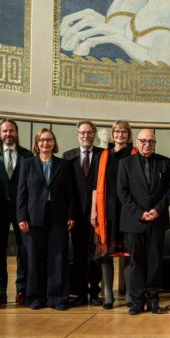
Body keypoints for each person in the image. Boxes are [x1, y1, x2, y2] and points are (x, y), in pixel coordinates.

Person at [17, 128, 77, 310]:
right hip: (34, 217)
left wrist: (71, 215)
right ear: (37, 143)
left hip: (58, 216)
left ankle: (57, 297)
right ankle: (35, 297)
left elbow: (71, 193)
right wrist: (21, 217)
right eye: (42, 140)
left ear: (54, 143)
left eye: (49, 140)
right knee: (35, 259)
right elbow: (22, 193)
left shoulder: (64, 165)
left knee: (58, 259)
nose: (45, 143)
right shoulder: (27, 164)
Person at [117, 129, 170, 315]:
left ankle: (153, 300)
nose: (147, 144)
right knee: (136, 262)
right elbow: (122, 193)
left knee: (155, 262)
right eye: (143, 141)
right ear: (137, 143)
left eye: (151, 141)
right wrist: (140, 213)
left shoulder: (164, 162)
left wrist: (157, 210)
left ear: (155, 143)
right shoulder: (125, 163)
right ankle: (136, 301)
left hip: (157, 221)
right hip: (135, 221)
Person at [0, 119, 33, 307]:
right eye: (4, 131)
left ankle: (22, 290)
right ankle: (1, 292)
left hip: (22, 211)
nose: (8, 134)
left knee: (23, 250)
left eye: (11, 130)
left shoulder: (27, 155)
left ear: (16, 132)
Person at [91, 121, 137, 309]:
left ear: (128, 134)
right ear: (112, 135)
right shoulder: (103, 156)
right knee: (106, 253)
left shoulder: (136, 154)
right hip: (107, 210)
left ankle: (128, 294)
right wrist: (93, 210)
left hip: (128, 209)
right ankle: (108, 295)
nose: (120, 134)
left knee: (128, 253)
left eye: (124, 131)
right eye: (117, 131)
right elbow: (96, 186)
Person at [63, 121, 104, 306]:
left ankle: (95, 292)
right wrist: (70, 214)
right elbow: (67, 189)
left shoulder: (103, 155)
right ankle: (80, 293)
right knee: (79, 255)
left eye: (89, 132)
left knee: (96, 254)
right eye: (82, 133)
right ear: (77, 134)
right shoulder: (68, 156)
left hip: (98, 215)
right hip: (77, 215)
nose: (85, 136)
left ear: (94, 134)